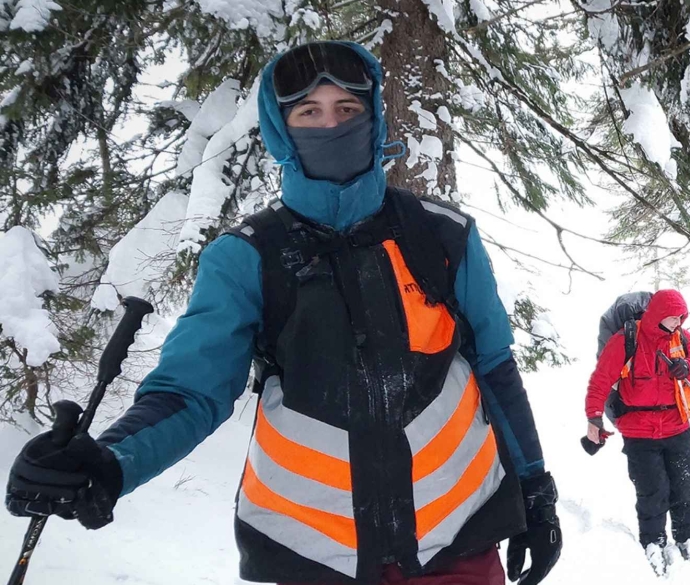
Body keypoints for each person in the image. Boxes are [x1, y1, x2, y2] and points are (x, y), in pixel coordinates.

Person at [6, 41, 562, 585]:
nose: (331, 125)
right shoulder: (246, 255)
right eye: (309, 112)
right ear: (281, 128)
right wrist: (110, 461)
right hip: (312, 551)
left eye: (348, 109)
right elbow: (192, 391)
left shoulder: (442, 234)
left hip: (456, 539)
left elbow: (494, 367)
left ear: (374, 117)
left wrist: (535, 492)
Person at [584, 289, 690, 575]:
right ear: (658, 314)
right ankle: (654, 541)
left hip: (677, 425)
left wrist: (688, 367)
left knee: (683, 486)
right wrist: (593, 416)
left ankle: (686, 539)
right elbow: (601, 380)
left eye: (682, 317)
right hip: (639, 430)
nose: (679, 322)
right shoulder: (626, 339)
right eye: (674, 317)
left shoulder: (682, 339)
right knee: (652, 489)